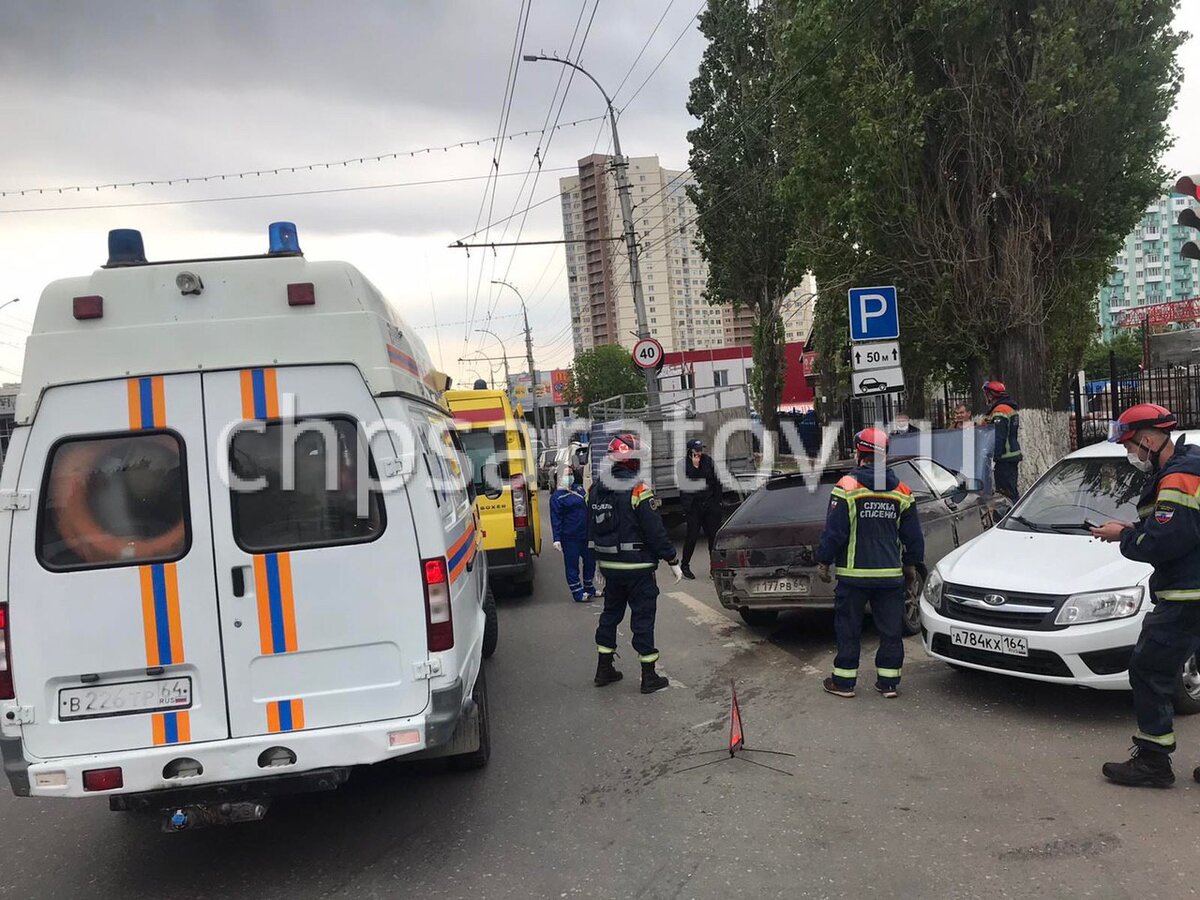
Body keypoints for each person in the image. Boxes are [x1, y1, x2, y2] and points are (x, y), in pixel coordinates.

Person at [1092, 404, 1200, 788]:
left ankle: (1153, 763)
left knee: (1148, 669)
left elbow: (1166, 540)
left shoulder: (1178, 478)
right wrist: (1135, 526)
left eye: (1130, 446)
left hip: (1188, 594)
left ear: (1151, 440)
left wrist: (1123, 536)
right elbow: (1177, 524)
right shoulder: (1192, 466)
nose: (1130, 454)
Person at [816, 427, 925, 699]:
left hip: (854, 576)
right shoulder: (902, 490)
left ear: (859, 453)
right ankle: (888, 684)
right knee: (890, 630)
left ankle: (844, 682)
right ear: (884, 455)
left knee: (848, 629)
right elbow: (913, 537)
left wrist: (823, 561)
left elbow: (835, 532)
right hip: (890, 577)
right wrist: (910, 565)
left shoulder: (847, 487)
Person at [589, 433, 683, 694]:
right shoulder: (638, 490)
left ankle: (603, 669)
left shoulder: (596, 489)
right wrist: (671, 559)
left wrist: (598, 562)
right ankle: (649, 676)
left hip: (610, 568)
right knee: (642, 618)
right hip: (638, 568)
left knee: (610, 615)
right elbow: (654, 531)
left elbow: (591, 530)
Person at [550, 466, 595, 603]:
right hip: (570, 536)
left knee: (590, 561)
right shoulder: (557, 497)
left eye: (571, 474)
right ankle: (577, 592)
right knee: (572, 565)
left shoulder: (579, 489)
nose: (569, 477)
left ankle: (589, 588)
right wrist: (556, 538)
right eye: (566, 474)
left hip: (585, 534)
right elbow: (555, 518)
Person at [679, 438, 723, 580]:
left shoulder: (708, 461)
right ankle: (685, 565)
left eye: (700, 449)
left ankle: (714, 568)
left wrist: (717, 502)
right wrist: (694, 467)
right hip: (694, 506)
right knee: (692, 536)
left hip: (709, 503)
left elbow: (716, 481)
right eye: (696, 450)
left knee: (713, 536)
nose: (699, 452)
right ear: (690, 451)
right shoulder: (682, 464)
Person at [982, 380, 1023, 500]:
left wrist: (995, 457)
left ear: (990, 395)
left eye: (986, 394)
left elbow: (999, 436)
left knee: (1006, 493)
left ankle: (1011, 516)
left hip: (1004, 457)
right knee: (1011, 489)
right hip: (1011, 455)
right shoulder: (1008, 408)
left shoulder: (1000, 410)